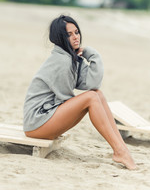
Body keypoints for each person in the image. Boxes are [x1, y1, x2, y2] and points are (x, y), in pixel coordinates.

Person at [23, 15, 136, 170]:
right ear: (59, 38)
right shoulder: (61, 61)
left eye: (76, 32)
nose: (75, 37)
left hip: (48, 117)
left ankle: (122, 149)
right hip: (37, 123)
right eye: (69, 34)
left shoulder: (71, 58)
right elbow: (65, 99)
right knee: (91, 97)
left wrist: (93, 55)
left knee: (97, 94)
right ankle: (119, 150)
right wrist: (87, 102)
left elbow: (93, 84)